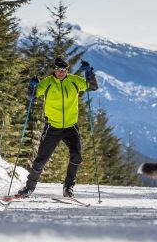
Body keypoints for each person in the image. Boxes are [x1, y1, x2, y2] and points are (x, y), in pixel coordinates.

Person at [17, 57, 98, 198]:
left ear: (67, 70)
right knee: (41, 159)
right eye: (58, 69)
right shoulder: (47, 83)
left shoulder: (74, 81)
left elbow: (93, 87)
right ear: (54, 69)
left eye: (64, 70)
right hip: (52, 127)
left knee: (77, 156)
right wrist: (32, 86)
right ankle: (29, 188)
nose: (61, 72)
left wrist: (89, 73)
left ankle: (68, 187)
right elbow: (31, 97)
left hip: (71, 127)